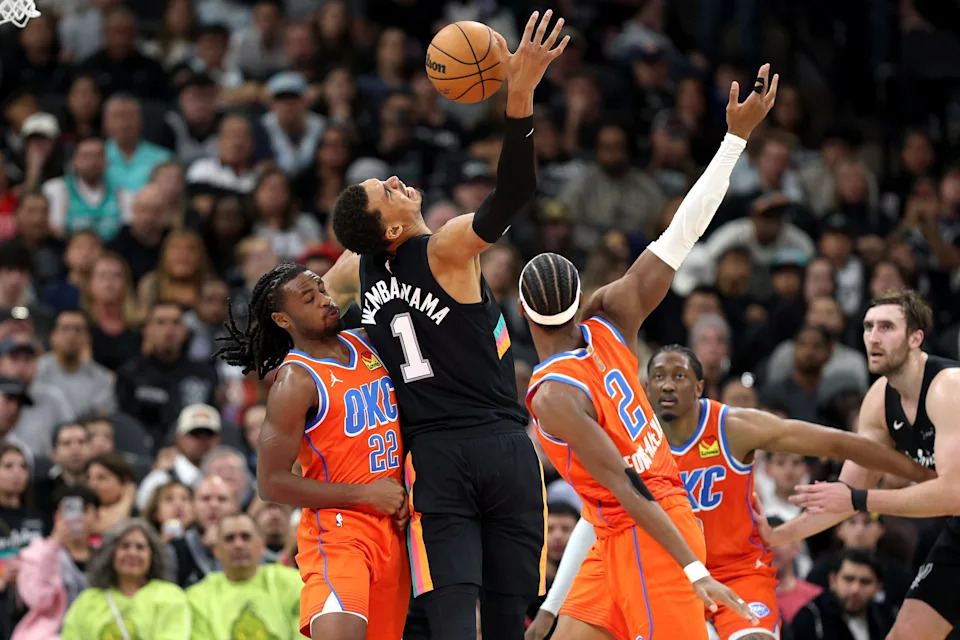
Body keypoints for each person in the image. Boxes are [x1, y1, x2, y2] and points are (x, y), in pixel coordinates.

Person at [321, 12, 569, 638]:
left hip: (435, 455)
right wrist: (519, 92)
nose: (400, 182)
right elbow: (512, 193)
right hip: (488, 447)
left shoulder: (357, 269)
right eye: (389, 190)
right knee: (495, 618)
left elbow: (319, 305)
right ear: (394, 229)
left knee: (459, 617)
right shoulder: (447, 248)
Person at [520, 64, 779, 640]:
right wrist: (734, 140)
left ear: (524, 313)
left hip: (649, 525)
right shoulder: (612, 316)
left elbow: (620, 481)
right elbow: (682, 232)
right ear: (580, 297)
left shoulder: (554, 395)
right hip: (621, 528)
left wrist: (691, 568)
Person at [529, 344, 931, 640]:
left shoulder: (734, 427)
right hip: (655, 566)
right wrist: (549, 607)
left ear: (701, 386)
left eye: (679, 376)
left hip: (734, 569)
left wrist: (920, 470)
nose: (667, 386)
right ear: (645, 388)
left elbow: (837, 444)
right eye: (658, 378)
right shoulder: (628, 435)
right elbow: (593, 518)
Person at [217, 262, 409, 639]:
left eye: (322, 290)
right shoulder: (295, 381)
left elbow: (355, 256)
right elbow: (271, 483)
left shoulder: (366, 341)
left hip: (392, 530)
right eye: (309, 298)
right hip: (338, 532)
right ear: (282, 319)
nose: (325, 301)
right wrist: (367, 495)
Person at [756, 289, 960, 640]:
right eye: (868, 327)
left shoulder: (948, 388)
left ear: (916, 338)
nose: (873, 338)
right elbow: (845, 495)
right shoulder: (880, 399)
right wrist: (778, 534)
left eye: (886, 327)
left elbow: (954, 493)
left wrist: (859, 500)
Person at [60, 518, 191, 639]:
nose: (132, 553)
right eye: (124, 546)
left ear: (153, 556)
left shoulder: (170, 596)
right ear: (110, 554)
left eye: (140, 547)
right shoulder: (87, 601)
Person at [187, 512, 302, 639]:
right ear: (216, 550)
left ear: (262, 545)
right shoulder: (197, 597)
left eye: (246, 537)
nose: (238, 545)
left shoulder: (293, 582)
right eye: (229, 538)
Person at [790, 548, 897, 640]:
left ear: (878, 587)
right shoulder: (811, 617)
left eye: (865, 582)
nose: (855, 589)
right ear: (833, 580)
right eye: (849, 579)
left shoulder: (887, 618)